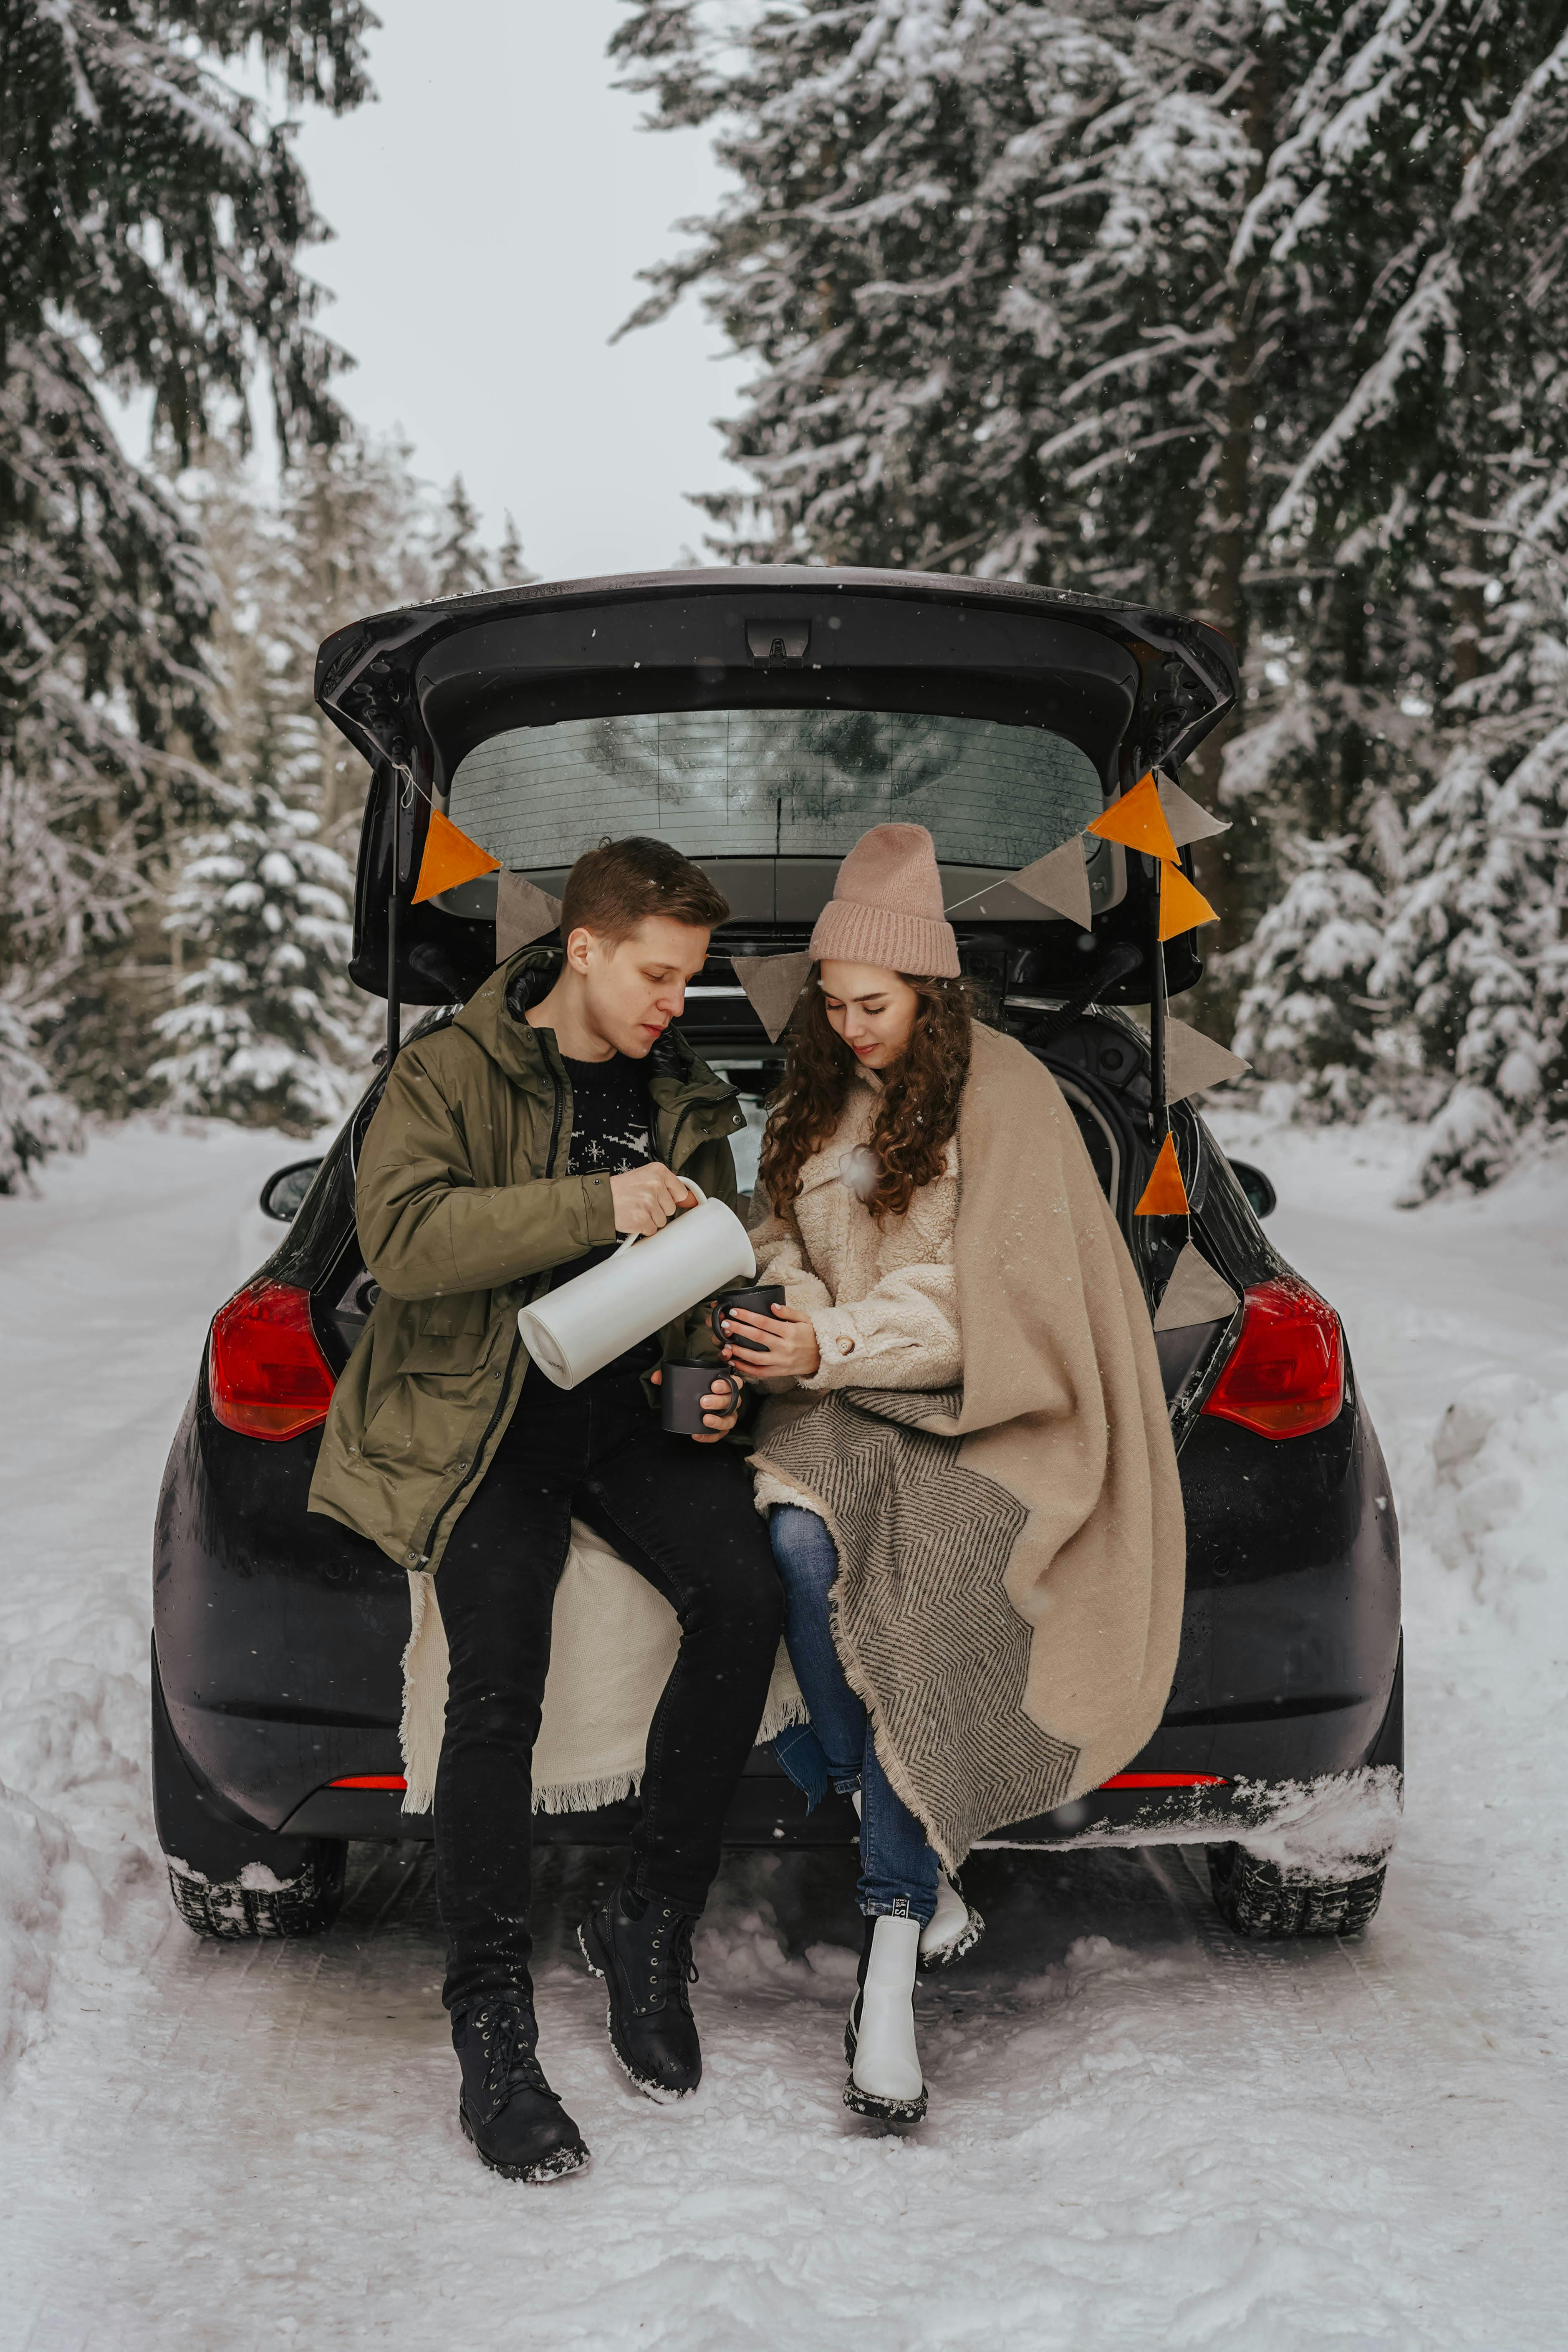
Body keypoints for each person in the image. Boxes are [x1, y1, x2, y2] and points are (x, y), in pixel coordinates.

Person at [309, 835, 781, 2184]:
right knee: (497, 1671)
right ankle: (492, 2025)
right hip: (484, 1417)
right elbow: (402, 1240)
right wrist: (595, 1198)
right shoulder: (450, 1070)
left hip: (627, 1419)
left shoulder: (685, 1091)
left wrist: (715, 1380)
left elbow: (711, 1270)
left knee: (743, 1594)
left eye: (687, 980)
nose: (671, 1004)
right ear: (582, 947)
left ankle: (647, 1923)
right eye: (655, 973)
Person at [720, 823, 1185, 2125]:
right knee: (804, 1545)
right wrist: (797, 1315)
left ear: (932, 992)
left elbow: (1001, 1303)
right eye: (832, 1001)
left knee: (919, 1604)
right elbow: (772, 1232)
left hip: (978, 1413)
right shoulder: (808, 1088)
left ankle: (888, 1960)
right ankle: (896, 1821)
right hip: (826, 1401)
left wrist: (845, 1338)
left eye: (874, 1004)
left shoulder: (1012, 1095)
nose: (849, 1024)